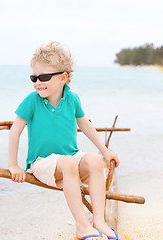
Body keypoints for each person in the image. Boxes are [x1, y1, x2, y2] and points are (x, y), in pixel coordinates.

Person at [8, 42, 129, 240]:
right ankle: (82, 227)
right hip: (43, 163)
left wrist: (104, 151)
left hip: (70, 160)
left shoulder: (72, 99)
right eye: (34, 77)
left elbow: (86, 126)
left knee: (95, 160)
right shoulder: (32, 100)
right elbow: (14, 132)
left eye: (44, 77)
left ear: (63, 78)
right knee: (68, 163)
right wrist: (14, 165)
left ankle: (98, 222)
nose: (38, 82)